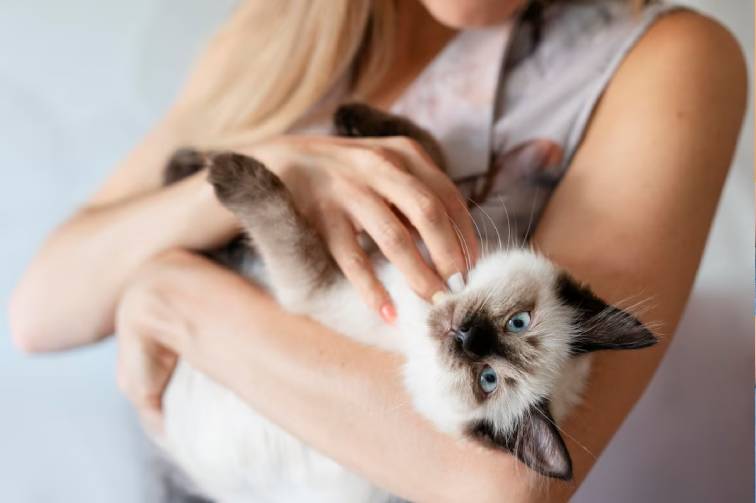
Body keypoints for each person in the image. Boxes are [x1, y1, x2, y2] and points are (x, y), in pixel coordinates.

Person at [9, 0, 746, 501]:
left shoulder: (668, 58)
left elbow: (501, 484)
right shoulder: (282, 30)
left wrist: (171, 297)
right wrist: (277, 168)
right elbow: (40, 309)